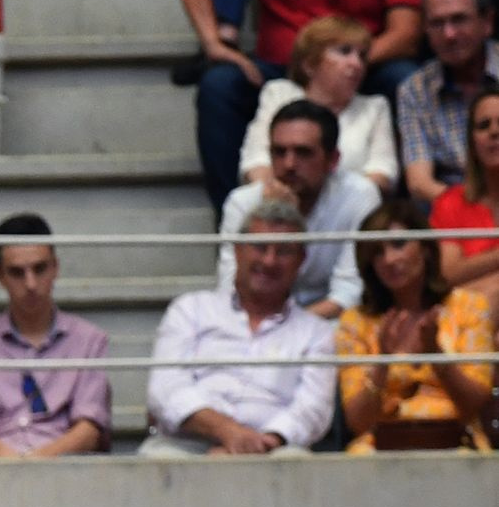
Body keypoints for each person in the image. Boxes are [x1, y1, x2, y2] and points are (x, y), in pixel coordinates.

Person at [176, 0, 430, 209]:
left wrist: (344, 62)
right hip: (280, 68)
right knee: (219, 84)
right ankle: (240, 224)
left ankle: (397, 231)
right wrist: (212, 41)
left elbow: (405, 34)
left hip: (361, 66)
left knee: (404, 79)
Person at [142, 197, 337, 456]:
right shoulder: (191, 309)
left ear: (301, 260)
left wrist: (259, 442)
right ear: (237, 250)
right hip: (187, 442)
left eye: (283, 251)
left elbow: (313, 410)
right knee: (158, 459)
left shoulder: (317, 332)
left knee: (295, 462)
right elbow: (165, 388)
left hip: (271, 448)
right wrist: (227, 432)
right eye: (260, 247)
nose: (269, 261)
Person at [334, 196, 494, 448]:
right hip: (381, 446)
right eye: (377, 253)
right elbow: (357, 421)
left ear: (426, 250)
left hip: (456, 440)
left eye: (398, 244)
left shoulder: (470, 307)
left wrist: (436, 355)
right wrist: (382, 362)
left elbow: (474, 404)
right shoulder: (355, 321)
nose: (388, 260)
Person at [0, 212, 112, 461]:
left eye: (40, 269)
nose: (31, 284)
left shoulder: (90, 340)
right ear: (0, 276)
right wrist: (11, 462)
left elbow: (89, 429)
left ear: (55, 267)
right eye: (17, 272)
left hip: (65, 460)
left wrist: (39, 462)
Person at [218, 99, 384, 316]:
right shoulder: (242, 203)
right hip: (255, 326)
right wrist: (275, 218)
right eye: (279, 152)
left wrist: (291, 331)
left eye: (303, 152)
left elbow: (348, 295)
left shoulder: (360, 196)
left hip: (330, 326)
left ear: (332, 160)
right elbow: (232, 290)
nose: (289, 164)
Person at [237, 13, 399, 193]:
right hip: (281, 206)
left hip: (350, 213)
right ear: (309, 64)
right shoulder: (279, 94)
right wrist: (278, 198)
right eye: (344, 51)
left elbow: (384, 172)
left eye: (361, 56)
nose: (356, 63)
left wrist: (328, 204)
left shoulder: (375, 107)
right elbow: (255, 160)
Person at [398, 0, 499, 203]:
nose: (449, 34)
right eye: (437, 23)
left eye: (459, 19)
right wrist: (476, 212)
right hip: (452, 206)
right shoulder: (415, 89)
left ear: (487, 21)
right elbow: (419, 183)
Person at [432, 82, 499, 285]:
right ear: (472, 142)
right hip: (468, 312)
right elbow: (448, 274)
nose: (494, 131)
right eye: (483, 125)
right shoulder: (451, 202)